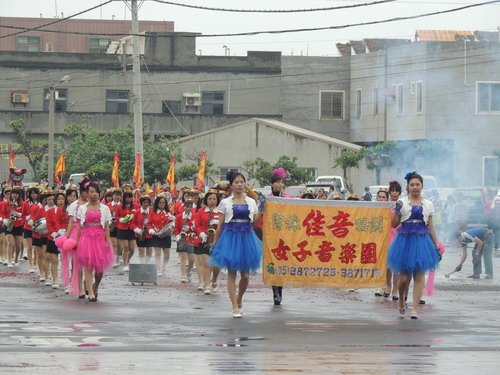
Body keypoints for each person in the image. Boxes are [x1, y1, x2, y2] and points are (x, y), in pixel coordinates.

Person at [388, 172, 440, 319]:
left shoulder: (428, 204)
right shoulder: (402, 203)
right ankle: (401, 300)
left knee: (419, 274)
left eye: (418, 184)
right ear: (408, 187)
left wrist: (436, 246)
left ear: (422, 186)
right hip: (405, 242)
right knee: (404, 278)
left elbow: (431, 227)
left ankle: (415, 309)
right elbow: (394, 224)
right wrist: (396, 211)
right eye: (412, 185)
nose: (415, 187)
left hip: (423, 242)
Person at [210, 172, 262, 318]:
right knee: (232, 273)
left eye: (242, 182)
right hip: (230, 237)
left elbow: (255, 221)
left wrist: (262, 209)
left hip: (247, 238)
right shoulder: (225, 202)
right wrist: (215, 243)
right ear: (231, 185)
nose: (240, 184)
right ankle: (234, 306)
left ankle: (239, 298)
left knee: (245, 275)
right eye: (237, 182)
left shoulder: (251, 201)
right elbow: (220, 225)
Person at [75, 181, 114, 302]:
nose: (94, 194)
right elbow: (79, 227)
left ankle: (95, 287)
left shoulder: (105, 208)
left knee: (99, 270)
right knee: (87, 266)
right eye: (91, 192)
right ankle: (90, 293)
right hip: (86, 239)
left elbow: (107, 226)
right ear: (87, 194)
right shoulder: (82, 208)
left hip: (100, 238)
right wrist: (76, 243)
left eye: (96, 192)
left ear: (100, 193)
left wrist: (107, 241)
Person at [266, 167, 294, 306]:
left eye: (282, 182)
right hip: (271, 236)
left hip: (285, 235)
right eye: (277, 182)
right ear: (272, 184)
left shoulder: (289, 199)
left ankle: (279, 288)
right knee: (272, 262)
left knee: (282, 262)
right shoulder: (267, 199)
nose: (279, 184)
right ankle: (274, 288)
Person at [194, 189, 220, 295]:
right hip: (204, 239)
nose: (212, 201)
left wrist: (218, 222)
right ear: (206, 200)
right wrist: (201, 233)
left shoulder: (220, 211)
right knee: (206, 263)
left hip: (217, 240)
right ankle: (207, 285)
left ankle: (214, 280)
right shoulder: (201, 211)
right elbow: (197, 225)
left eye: (214, 199)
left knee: (216, 266)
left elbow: (226, 225)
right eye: (210, 199)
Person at [148, 194, 175, 277]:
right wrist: (151, 229)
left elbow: (172, 224)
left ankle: (163, 267)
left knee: (167, 255)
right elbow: (149, 223)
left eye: (163, 202)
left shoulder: (168, 212)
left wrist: (173, 219)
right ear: (157, 203)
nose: (162, 204)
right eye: (160, 202)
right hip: (156, 235)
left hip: (166, 235)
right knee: (157, 253)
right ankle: (159, 269)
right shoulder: (153, 212)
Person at [174, 198, 196, 283]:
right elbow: (176, 229)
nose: (188, 208)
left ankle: (188, 272)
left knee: (191, 259)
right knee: (183, 258)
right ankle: (183, 275)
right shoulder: (179, 216)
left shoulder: (195, 215)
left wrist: (191, 227)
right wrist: (177, 235)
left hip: (191, 238)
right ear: (184, 207)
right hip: (182, 238)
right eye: (187, 206)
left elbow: (195, 226)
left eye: (190, 207)